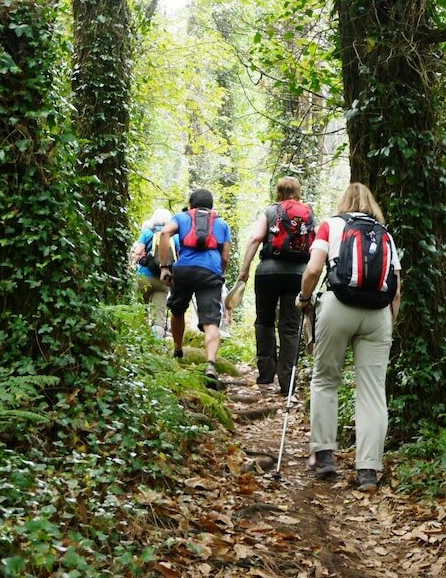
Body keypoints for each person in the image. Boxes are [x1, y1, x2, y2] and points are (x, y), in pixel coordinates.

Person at [296, 182, 401, 491]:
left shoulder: (332, 225)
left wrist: (304, 298)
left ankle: (325, 456)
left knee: (326, 379)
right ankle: (368, 470)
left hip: (337, 306)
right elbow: (396, 288)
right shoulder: (386, 235)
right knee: (372, 392)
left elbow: (314, 269)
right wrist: (389, 324)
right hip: (378, 314)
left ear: (344, 202)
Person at [238, 176, 316, 395]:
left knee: (264, 321)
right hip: (297, 275)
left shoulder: (271, 211)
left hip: (267, 273)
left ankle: (265, 375)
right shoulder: (308, 213)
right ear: (298, 191)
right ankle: (287, 381)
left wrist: (244, 270)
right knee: (290, 327)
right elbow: (316, 241)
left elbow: (255, 239)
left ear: (278, 191)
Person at [158, 188, 231, 391]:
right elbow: (225, 256)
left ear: (191, 205)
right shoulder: (221, 223)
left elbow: (164, 233)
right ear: (211, 206)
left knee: (178, 310)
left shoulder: (181, 217)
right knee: (211, 322)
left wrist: (164, 266)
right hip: (211, 272)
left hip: (184, 269)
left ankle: (178, 351)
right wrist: (219, 274)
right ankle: (210, 364)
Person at [130, 208, 177, 339]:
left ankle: (140, 340)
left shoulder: (147, 233)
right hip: (164, 279)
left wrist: (135, 261)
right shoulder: (175, 236)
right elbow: (178, 257)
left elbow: (138, 252)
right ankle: (156, 343)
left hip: (144, 276)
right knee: (159, 314)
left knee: (140, 309)